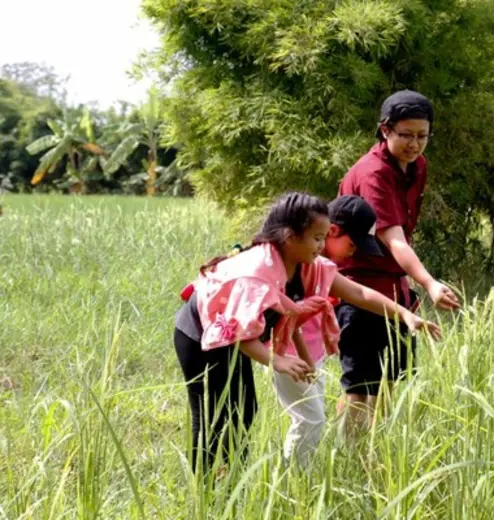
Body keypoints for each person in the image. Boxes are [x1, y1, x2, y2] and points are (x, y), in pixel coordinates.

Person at [173, 192, 440, 472]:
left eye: (324, 237)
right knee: (212, 414)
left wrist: (406, 315)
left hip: (235, 337)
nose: (322, 246)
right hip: (200, 335)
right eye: (316, 238)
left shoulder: (304, 265)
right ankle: (205, 485)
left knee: (244, 410)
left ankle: (231, 481)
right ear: (290, 237)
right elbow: (238, 333)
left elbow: (357, 293)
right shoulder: (257, 273)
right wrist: (278, 360)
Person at [336, 90, 460, 431]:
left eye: (422, 136)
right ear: (385, 130)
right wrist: (429, 283)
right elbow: (394, 239)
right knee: (360, 386)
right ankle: (350, 453)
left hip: (395, 287)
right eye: (406, 135)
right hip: (359, 288)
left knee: (391, 378)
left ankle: (377, 449)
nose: (414, 144)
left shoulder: (417, 166)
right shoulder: (373, 172)